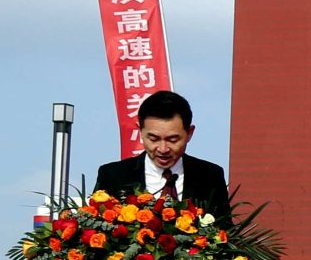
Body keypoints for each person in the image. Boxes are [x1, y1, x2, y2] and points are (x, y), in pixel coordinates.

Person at [92, 90, 235, 223]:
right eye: (153, 139)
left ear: (189, 133)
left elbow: (225, 232)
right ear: (140, 131)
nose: (163, 149)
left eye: (173, 140)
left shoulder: (210, 177)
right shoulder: (113, 176)